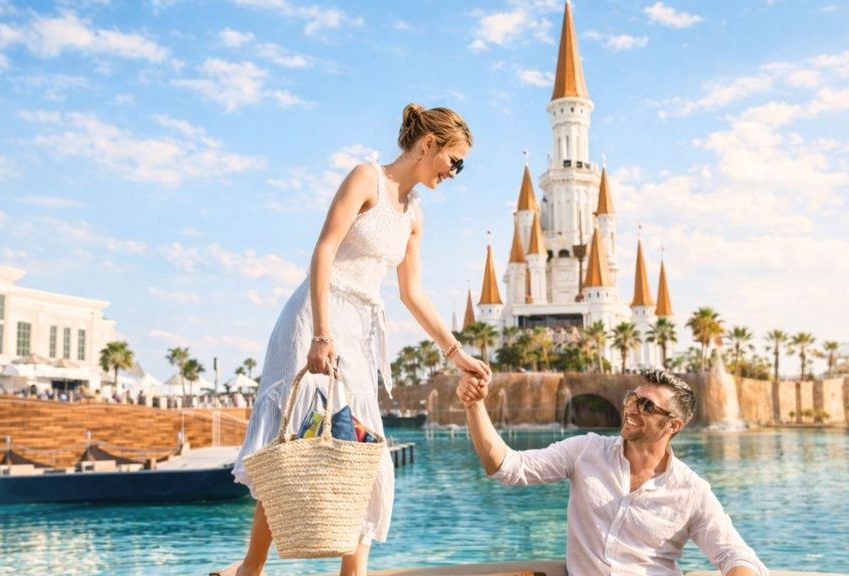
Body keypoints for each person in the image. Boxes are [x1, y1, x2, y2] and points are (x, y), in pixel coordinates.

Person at [216, 103, 491, 576]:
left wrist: (456, 352)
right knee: (291, 444)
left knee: (364, 452)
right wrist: (321, 334)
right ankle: (251, 569)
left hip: (361, 328)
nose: (456, 173)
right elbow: (323, 252)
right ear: (429, 145)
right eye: (455, 160)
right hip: (314, 316)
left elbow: (412, 293)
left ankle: (352, 573)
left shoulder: (415, 216)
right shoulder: (367, 178)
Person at [457, 368, 768, 576]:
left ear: (673, 425)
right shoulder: (585, 451)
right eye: (631, 398)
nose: (631, 409)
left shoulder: (691, 490)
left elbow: (734, 554)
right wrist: (474, 406)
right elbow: (508, 467)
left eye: (646, 406)